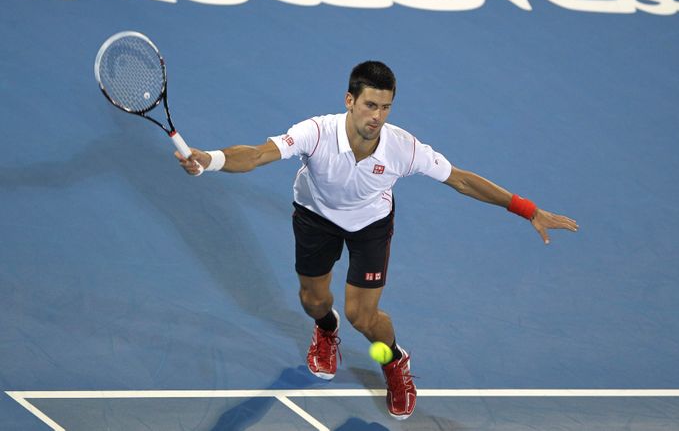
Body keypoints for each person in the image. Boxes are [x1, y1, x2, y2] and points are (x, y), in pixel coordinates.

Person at [176, 61, 578, 420]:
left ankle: (393, 361)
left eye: (385, 107)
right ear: (349, 100)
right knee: (313, 301)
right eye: (370, 105)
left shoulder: (402, 148)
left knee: (364, 318)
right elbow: (258, 154)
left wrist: (527, 209)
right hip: (315, 218)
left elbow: (460, 179)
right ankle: (325, 329)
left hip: (370, 225)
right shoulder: (315, 132)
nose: (377, 117)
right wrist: (210, 159)